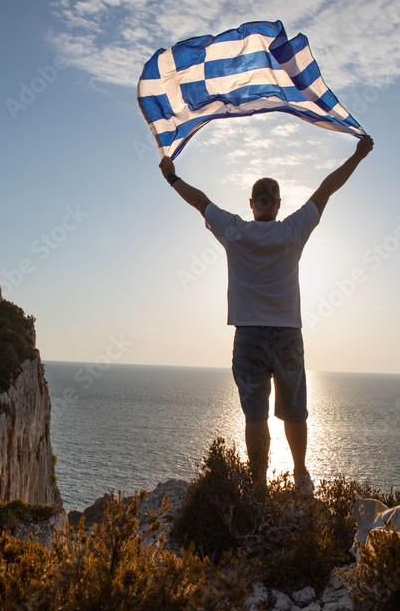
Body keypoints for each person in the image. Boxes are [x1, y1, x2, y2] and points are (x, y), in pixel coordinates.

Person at [159, 134, 374, 496]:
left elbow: (200, 201)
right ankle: (301, 477)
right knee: (295, 412)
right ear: (276, 204)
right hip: (288, 335)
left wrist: (171, 177)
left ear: (252, 204)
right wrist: (358, 155)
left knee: (255, 416)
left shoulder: (235, 231)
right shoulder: (293, 230)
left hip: (249, 338)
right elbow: (327, 188)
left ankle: (258, 486)